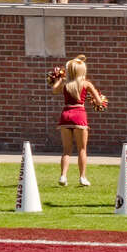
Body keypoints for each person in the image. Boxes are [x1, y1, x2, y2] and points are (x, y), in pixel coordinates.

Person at [50, 54, 105, 187]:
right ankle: (82, 177)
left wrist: (59, 78)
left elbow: (54, 90)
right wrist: (99, 100)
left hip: (65, 115)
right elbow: (99, 101)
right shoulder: (86, 84)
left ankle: (63, 176)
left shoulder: (65, 84)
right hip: (79, 114)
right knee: (82, 149)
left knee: (66, 150)